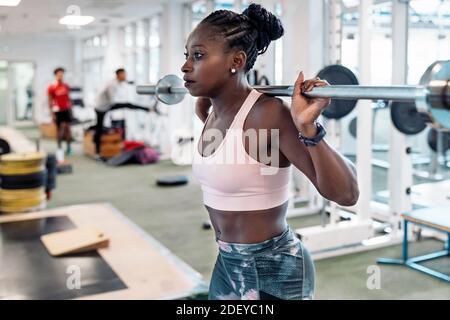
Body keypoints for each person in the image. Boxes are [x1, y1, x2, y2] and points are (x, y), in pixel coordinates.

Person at [182, 4, 359, 300]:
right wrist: (208, 111)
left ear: (236, 61)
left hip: (271, 267)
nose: (186, 66)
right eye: (186, 56)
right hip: (227, 262)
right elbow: (235, 158)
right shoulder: (212, 112)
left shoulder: (269, 116)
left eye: (198, 56)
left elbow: (347, 194)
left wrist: (308, 127)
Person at [93, 68, 136, 159]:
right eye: (123, 75)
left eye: (125, 74)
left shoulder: (117, 82)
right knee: (99, 128)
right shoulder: (112, 85)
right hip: (101, 107)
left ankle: (148, 109)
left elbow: (124, 82)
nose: (125, 76)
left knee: (127, 104)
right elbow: (113, 101)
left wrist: (129, 83)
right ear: (118, 75)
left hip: (107, 105)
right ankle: (97, 152)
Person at [47, 67, 72, 155]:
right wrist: (52, 113)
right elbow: (50, 101)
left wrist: (71, 109)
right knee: (60, 130)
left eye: (62, 74)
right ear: (56, 75)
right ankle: (59, 147)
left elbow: (68, 98)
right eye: (59, 74)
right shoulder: (52, 87)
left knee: (68, 129)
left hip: (66, 110)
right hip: (57, 111)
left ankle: (69, 147)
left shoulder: (66, 86)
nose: (61, 76)